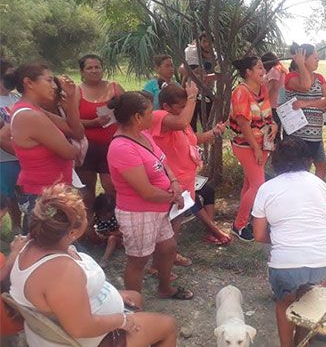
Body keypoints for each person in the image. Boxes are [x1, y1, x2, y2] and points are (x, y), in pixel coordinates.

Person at [9, 183, 178, 346]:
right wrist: (123, 320)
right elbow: (80, 329)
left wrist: (111, 294)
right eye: (84, 215)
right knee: (168, 326)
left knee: (135, 296)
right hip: (89, 338)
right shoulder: (62, 271)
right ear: (73, 232)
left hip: (68, 321)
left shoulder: (26, 247)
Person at [252, 136, 326, 347]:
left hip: (286, 264)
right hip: (321, 262)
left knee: (284, 304)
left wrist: (280, 240)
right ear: (307, 160)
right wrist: (322, 232)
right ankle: (302, 343)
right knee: (306, 302)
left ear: (276, 160)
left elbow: (258, 234)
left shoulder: (267, 189)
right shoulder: (318, 183)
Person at [107, 91, 193, 300]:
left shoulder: (143, 136)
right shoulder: (121, 147)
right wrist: (174, 196)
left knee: (168, 247)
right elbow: (144, 190)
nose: (153, 115)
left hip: (158, 208)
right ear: (137, 117)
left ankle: (165, 288)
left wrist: (173, 182)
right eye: (148, 112)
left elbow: (162, 162)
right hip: (138, 213)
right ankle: (133, 304)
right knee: (138, 260)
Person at [150, 83, 230, 245]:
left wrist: (214, 132)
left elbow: (194, 139)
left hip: (186, 181)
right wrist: (192, 96)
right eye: (181, 106)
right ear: (166, 106)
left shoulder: (180, 121)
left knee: (175, 224)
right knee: (166, 227)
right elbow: (181, 122)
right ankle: (162, 259)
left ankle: (170, 256)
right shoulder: (159, 116)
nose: (185, 109)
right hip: (171, 182)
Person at [6, 63, 79, 234]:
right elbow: (69, 151)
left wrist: (72, 98)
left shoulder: (34, 110)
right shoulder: (30, 115)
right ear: (29, 83)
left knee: (47, 247)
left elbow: (75, 131)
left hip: (48, 191)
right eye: (49, 80)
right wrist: (74, 146)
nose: (54, 86)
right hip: (43, 194)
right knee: (48, 246)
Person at [229, 56, 277, 242]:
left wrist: (274, 126)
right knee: (258, 185)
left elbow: (267, 114)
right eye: (258, 68)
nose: (263, 71)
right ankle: (238, 225)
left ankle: (244, 218)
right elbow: (243, 123)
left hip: (263, 144)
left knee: (250, 184)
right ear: (248, 72)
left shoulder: (262, 89)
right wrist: (256, 148)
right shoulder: (241, 92)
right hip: (246, 145)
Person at [77, 54, 124, 220]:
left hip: (112, 146)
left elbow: (128, 111)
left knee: (112, 187)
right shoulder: (77, 91)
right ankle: (88, 227)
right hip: (86, 147)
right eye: (89, 68)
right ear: (82, 71)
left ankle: (116, 223)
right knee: (86, 191)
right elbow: (70, 122)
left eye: (97, 67)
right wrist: (93, 123)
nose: (94, 71)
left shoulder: (114, 88)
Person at [284, 43, 326, 179]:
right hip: (298, 136)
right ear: (304, 58)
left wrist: (306, 103)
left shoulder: (320, 77)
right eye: (315, 57)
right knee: (300, 170)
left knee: (321, 167)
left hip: (315, 135)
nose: (318, 60)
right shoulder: (291, 77)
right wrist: (301, 64)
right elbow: (306, 85)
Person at [0, 59, 21, 232]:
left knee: (22, 191)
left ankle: (21, 226)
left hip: (23, 153)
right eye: (9, 74)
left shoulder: (17, 98)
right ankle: (13, 225)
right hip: (3, 157)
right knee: (7, 194)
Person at [261, 52, 288, 143]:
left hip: (273, 105)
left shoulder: (274, 70)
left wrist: (261, 99)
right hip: (279, 103)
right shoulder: (281, 69)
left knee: (272, 132)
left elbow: (272, 87)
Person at [92, 193, 122, 268]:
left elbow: (121, 232)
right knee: (86, 230)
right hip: (103, 236)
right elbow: (90, 226)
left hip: (117, 238)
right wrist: (95, 234)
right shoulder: (97, 217)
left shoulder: (117, 217)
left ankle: (104, 259)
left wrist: (109, 233)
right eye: (100, 214)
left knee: (112, 239)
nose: (103, 216)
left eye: (105, 214)